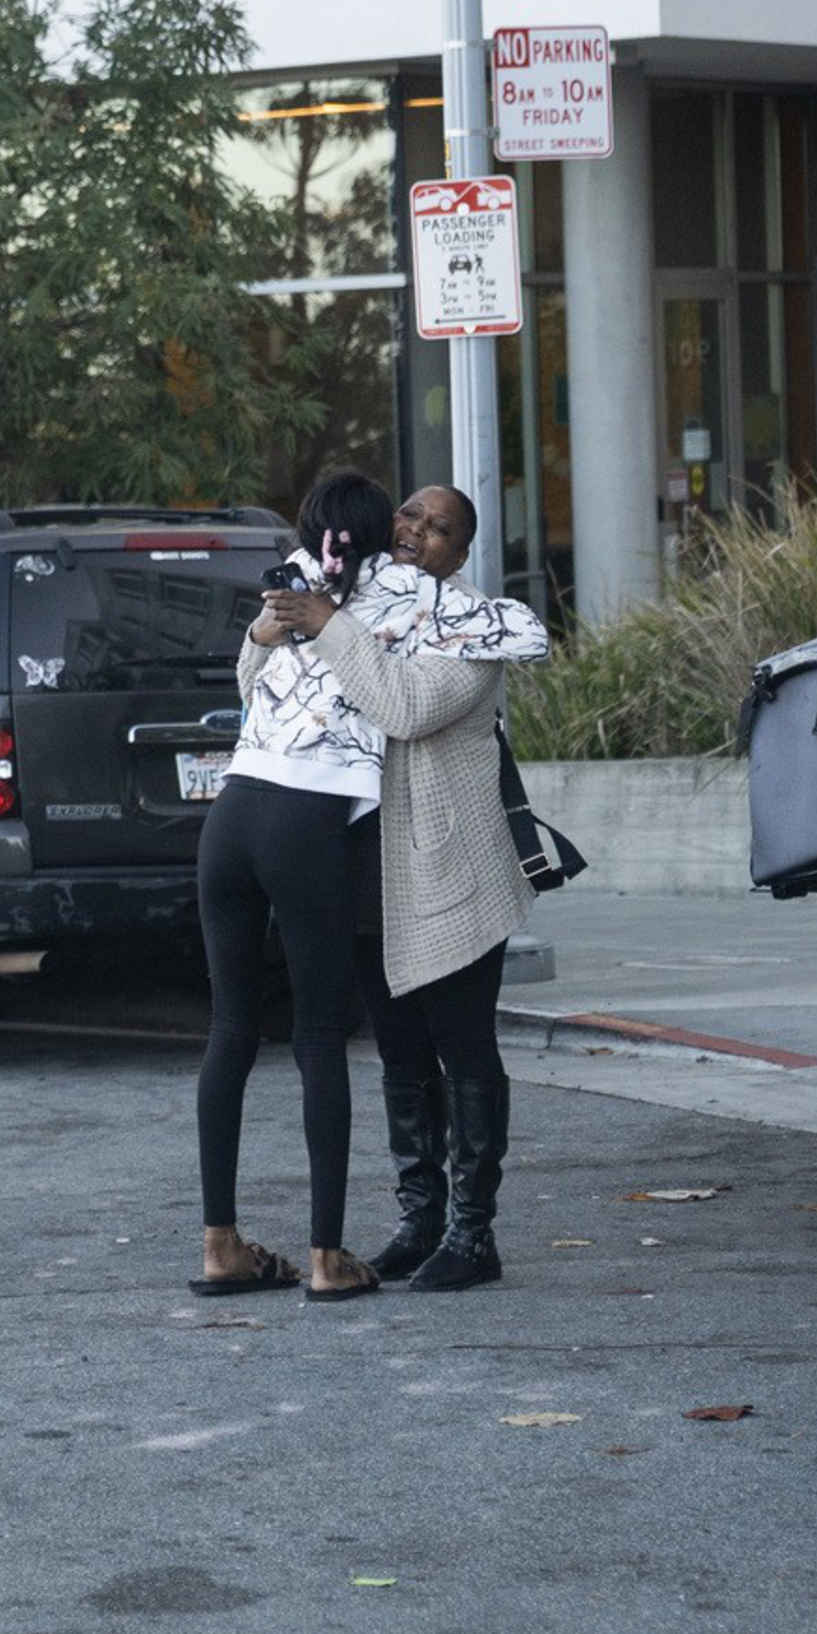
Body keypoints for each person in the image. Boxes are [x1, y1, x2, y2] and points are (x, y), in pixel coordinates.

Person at [257, 484, 549, 1292]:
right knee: (398, 1053)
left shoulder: (471, 627)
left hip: (450, 871)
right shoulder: (351, 597)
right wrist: (271, 626)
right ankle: (417, 1223)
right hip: (361, 863)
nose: (417, 532)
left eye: (440, 528)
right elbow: (260, 685)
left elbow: (402, 706)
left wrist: (331, 628)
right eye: (410, 517)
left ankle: (471, 1234)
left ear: (460, 553)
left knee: (463, 1050)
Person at [191, 471, 403, 1304]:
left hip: (230, 815)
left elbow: (247, 687)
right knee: (319, 1037)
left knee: (230, 1029)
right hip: (302, 821)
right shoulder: (398, 598)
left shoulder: (283, 601)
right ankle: (326, 1258)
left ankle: (220, 1247)